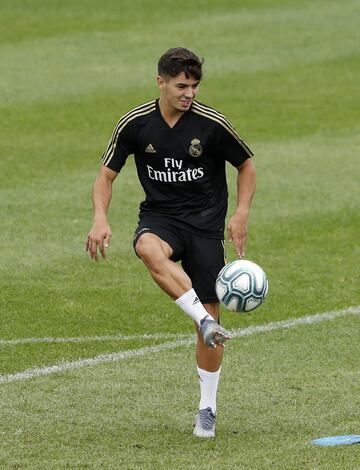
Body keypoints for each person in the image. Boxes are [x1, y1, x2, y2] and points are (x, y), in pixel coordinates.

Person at [86, 47, 256, 438]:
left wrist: (242, 212)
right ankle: (205, 321)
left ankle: (207, 409)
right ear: (160, 82)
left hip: (205, 225)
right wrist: (100, 218)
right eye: (181, 86)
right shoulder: (135, 124)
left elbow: (245, 164)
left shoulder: (211, 124)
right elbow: (105, 176)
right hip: (160, 217)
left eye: (194, 86)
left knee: (209, 310)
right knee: (147, 248)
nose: (189, 93)